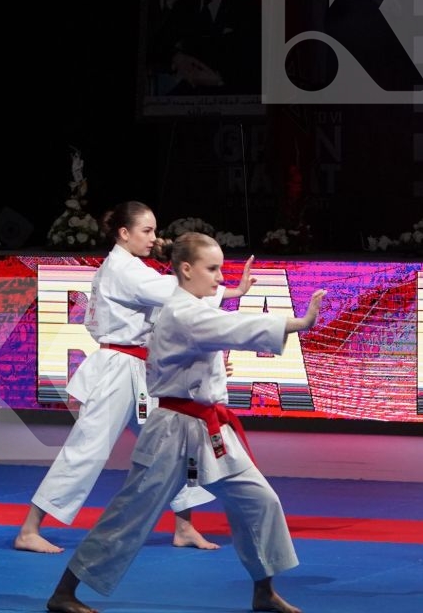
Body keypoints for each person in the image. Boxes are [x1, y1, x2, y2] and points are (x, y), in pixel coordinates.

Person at [46, 233, 325, 613]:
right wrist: (299, 323)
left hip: (210, 429)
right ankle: (64, 592)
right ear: (186, 269)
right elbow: (235, 328)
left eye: (220, 269)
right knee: (131, 513)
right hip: (172, 431)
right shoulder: (183, 312)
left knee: (259, 501)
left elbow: (215, 320)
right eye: (212, 269)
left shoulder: (191, 305)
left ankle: (263, 592)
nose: (218, 278)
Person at [15, 202, 256, 554]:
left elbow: (168, 310)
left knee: (175, 445)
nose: (153, 238)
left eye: (154, 231)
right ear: (123, 233)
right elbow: (176, 294)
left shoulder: (129, 269)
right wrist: (232, 291)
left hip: (142, 370)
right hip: (117, 370)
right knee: (88, 448)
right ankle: (29, 529)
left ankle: (185, 526)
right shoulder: (123, 270)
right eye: (146, 231)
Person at [148, 0, 262, 95]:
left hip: (235, 88)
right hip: (191, 89)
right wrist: (177, 57)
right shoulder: (183, 7)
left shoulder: (247, 5)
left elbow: (256, 57)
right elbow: (156, 45)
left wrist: (220, 80)